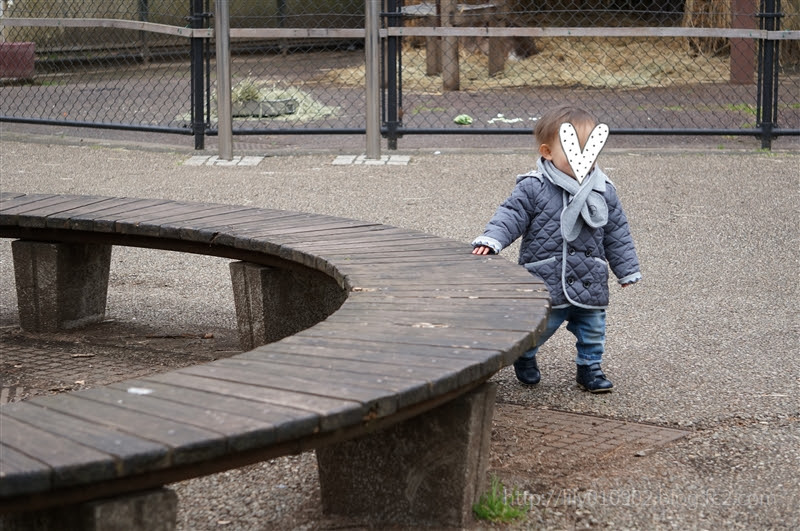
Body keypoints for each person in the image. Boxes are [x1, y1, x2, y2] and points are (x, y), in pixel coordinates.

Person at [471, 106, 641, 393]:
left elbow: (617, 232)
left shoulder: (603, 189)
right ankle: (525, 355)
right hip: (546, 278)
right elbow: (511, 215)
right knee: (539, 328)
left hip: (590, 277)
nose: (584, 158)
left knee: (593, 329)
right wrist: (491, 239)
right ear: (547, 152)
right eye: (574, 151)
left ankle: (590, 368)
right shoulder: (534, 187)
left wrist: (627, 269)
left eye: (590, 150)